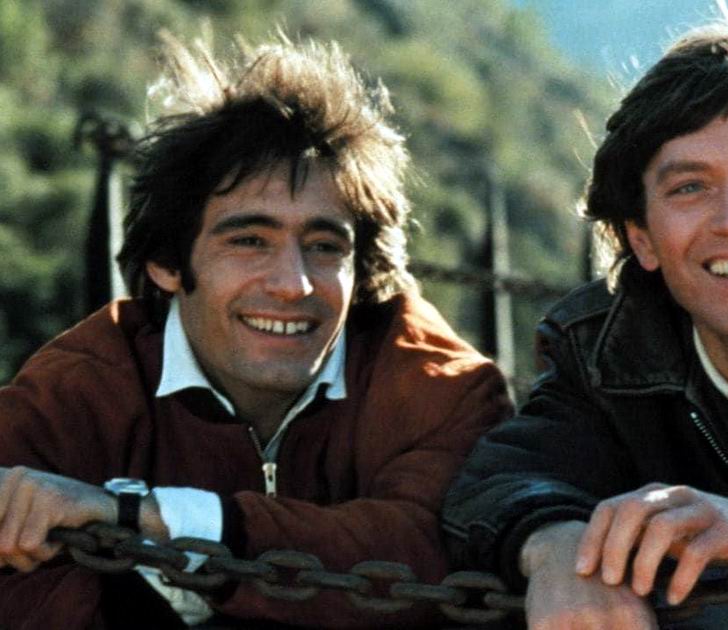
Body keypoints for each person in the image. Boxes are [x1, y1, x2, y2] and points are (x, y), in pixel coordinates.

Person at [0, 32, 512, 629]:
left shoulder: (439, 386)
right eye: (249, 241)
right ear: (167, 262)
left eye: (325, 246)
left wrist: (140, 517)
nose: (293, 284)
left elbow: (428, 551)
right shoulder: (81, 388)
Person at [442, 0, 728, 627]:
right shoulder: (605, 351)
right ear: (643, 240)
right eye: (690, 187)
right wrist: (557, 545)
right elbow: (503, 482)